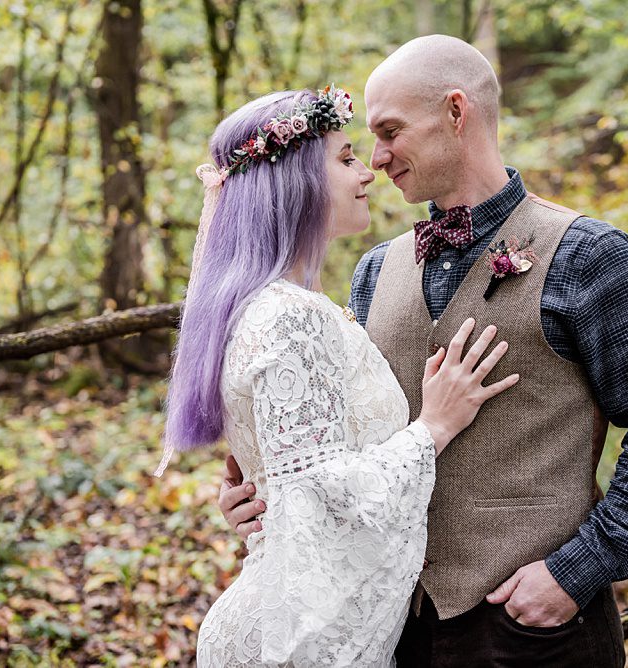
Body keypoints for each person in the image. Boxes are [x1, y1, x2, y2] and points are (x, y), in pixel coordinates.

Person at [220, 35, 628, 667]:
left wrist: (576, 572)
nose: (377, 157)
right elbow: (339, 452)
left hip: (537, 634)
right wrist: (269, 497)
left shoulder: (589, 254)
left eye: (391, 131)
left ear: (456, 112)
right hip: (396, 629)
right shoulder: (372, 272)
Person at [158, 87, 519, 667]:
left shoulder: (281, 305)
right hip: (295, 639)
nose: (369, 171)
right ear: (296, 182)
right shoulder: (289, 317)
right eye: (346, 157)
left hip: (298, 621)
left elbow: (296, 478)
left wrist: (262, 499)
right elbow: (324, 496)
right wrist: (433, 427)